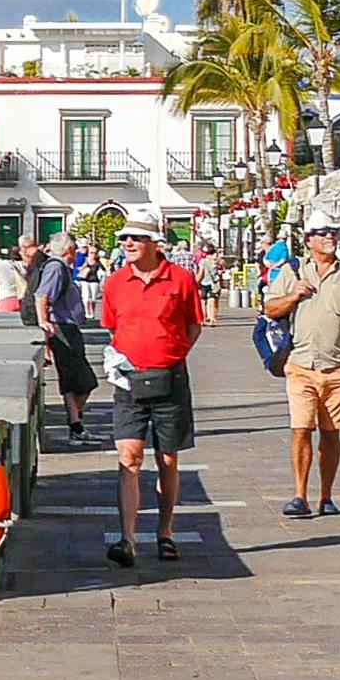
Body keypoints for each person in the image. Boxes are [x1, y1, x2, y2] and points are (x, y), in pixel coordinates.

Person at [96, 222, 208, 565]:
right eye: (123, 238)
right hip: (129, 381)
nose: (128, 243)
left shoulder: (180, 279)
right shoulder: (115, 283)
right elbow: (114, 327)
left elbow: (194, 325)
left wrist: (172, 355)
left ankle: (165, 531)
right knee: (129, 456)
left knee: (167, 459)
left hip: (170, 379)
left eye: (135, 238)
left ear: (153, 243)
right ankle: (127, 539)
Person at [275, 221, 340, 519]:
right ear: (308, 240)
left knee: (330, 433)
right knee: (301, 429)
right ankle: (299, 495)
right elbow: (269, 308)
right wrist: (293, 295)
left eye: (333, 232)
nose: (330, 237)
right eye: (322, 232)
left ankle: (326, 496)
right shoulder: (292, 272)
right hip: (301, 364)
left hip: (339, 368)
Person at [38, 227, 102, 435]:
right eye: (75, 250)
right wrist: (43, 321)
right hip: (63, 328)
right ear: (69, 249)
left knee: (73, 380)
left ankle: (76, 423)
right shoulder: (56, 268)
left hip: (68, 327)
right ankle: (75, 423)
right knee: (83, 380)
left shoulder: (62, 268)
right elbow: (42, 296)